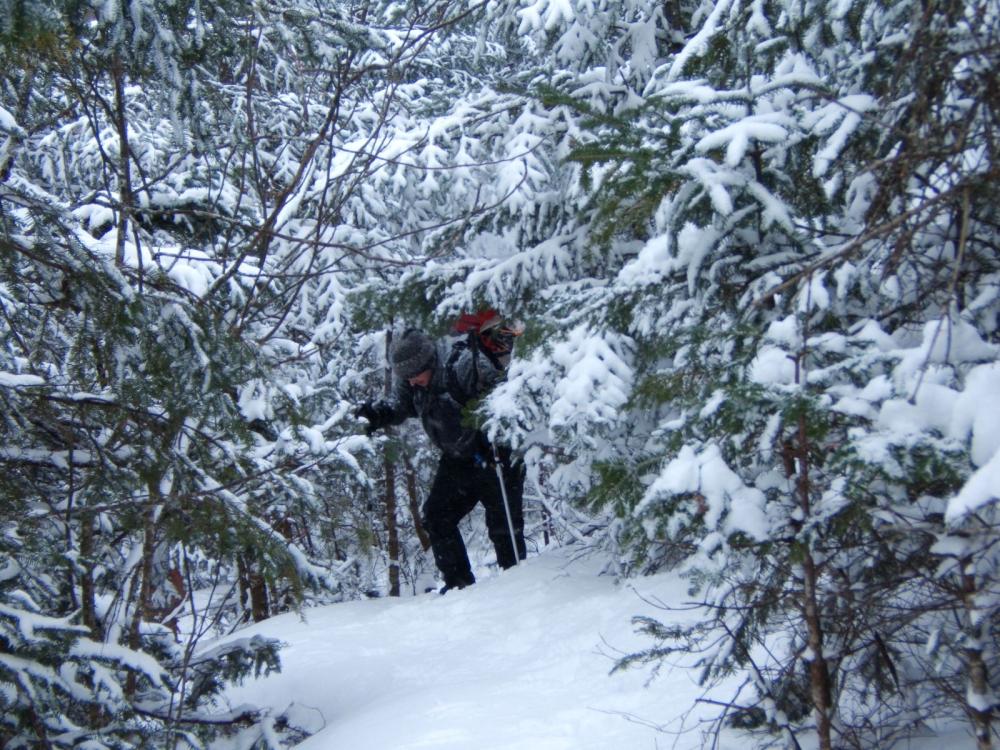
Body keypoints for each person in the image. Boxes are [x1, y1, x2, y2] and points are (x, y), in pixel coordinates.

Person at [355, 327, 526, 593]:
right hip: (459, 458)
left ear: (430, 362)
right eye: (407, 378)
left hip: (495, 456)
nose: (411, 382)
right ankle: (459, 586)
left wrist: (496, 441)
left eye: (414, 376)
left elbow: (504, 398)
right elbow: (400, 404)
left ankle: (517, 588)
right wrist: (377, 415)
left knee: (504, 530)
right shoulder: (412, 376)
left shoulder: (465, 365)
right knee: (437, 516)